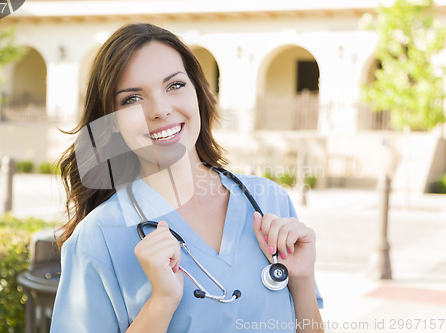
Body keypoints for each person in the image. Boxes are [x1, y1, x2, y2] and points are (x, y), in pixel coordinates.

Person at [50, 23, 324, 333]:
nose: (161, 110)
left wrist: (301, 281)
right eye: (132, 99)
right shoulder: (96, 239)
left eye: (175, 85)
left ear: (198, 92)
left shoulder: (269, 200)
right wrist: (161, 302)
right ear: (111, 123)